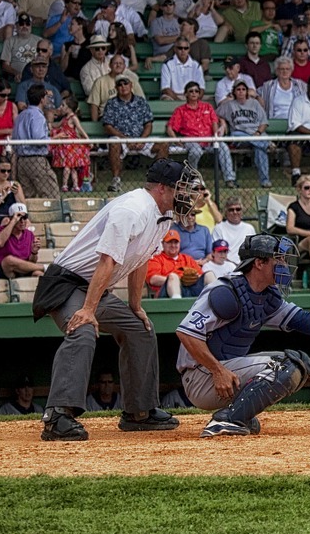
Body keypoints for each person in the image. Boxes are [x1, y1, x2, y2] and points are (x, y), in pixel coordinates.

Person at [31, 158, 201, 441]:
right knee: (82, 331)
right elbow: (107, 261)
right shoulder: (131, 209)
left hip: (92, 287)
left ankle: (139, 413)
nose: (186, 196)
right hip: (65, 284)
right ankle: (57, 415)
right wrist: (88, 310)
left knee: (139, 328)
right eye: (181, 189)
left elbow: (141, 259)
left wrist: (135, 306)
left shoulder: (163, 214)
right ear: (161, 187)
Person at [175, 233, 310, 436]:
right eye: (278, 259)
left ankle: (235, 416)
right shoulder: (225, 291)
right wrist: (217, 371)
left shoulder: (267, 296)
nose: (284, 264)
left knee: (299, 363)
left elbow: (309, 323)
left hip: (225, 372)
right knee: (287, 366)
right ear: (259, 262)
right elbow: (186, 333)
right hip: (201, 376)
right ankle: (226, 421)